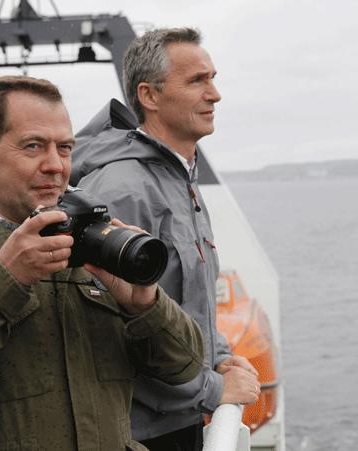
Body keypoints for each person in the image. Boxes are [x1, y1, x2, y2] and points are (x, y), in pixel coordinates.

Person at [0, 75, 206, 451]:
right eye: (33, 146)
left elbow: (185, 366)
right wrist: (5, 277)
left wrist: (144, 304)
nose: (55, 165)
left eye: (65, 148)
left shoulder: (93, 252)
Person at [70, 28, 261, 450]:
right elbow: (104, 334)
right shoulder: (122, 190)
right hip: (138, 433)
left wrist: (220, 356)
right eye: (197, 81)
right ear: (149, 96)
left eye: (212, 78)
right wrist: (211, 389)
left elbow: (185, 298)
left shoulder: (179, 180)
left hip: (179, 416)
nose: (215, 95)